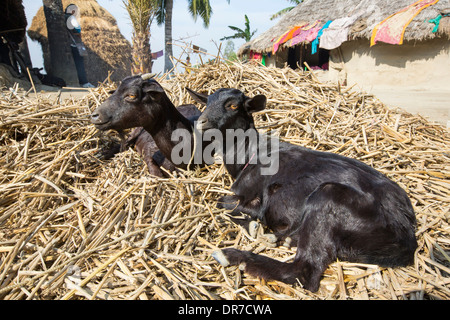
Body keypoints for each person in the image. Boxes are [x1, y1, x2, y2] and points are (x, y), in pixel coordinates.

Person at [65, 4, 94, 88]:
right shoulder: (71, 18)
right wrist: (78, 35)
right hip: (74, 44)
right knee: (79, 63)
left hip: (66, 44)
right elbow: (78, 30)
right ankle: (84, 82)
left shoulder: (63, 17)